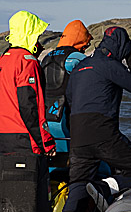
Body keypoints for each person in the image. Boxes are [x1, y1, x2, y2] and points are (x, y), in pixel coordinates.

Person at [58, 26, 131, 212]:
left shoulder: (80, 67)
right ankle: (104, 188)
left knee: (78, 183)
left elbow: (68, 100)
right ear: (121, 46)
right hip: (102, 133)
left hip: (78, 135)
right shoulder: (109, 65)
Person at [0, 10, 56, 157]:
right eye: (37, 36)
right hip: (23, 137)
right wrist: (46, 143)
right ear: (30, 35)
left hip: (2, 135)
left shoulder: (5, 58)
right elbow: (30, 106)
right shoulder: (26, 62)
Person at [40, 20, 93, 162]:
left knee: (55, 156)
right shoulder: (77, 58)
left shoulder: (46, 57)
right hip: (68, 115)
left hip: (47, 116)